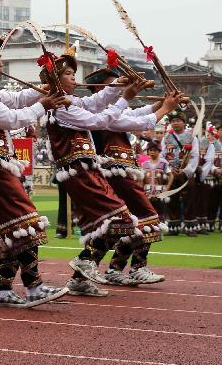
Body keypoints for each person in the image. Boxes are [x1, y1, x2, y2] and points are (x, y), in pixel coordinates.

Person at [0, 36, 69, 308]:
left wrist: (41, 90)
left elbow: (16, 98)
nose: (1, 63)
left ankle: (4, 289)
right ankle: (34, 287)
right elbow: (9, 118)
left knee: (10, 226)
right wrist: (45, 104)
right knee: (25, 220)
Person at [42, 45, 153, 296]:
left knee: (111, 222)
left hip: (86, 170)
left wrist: (117, 87)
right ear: (56, 79)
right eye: (69, 74)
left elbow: (94, 102)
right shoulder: (62, 106)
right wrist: (125, 95)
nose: (74, 78)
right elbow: (99, 120)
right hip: (78, 171)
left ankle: (79, 278)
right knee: (120, 218)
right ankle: (85, 262)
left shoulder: (71, 101)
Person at [85, 66, 179, 285]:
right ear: (101, 88)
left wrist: (163, 103)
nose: (120, 86)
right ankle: (136, 267)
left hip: (122, 169)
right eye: (115, 83)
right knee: (147, 216)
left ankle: (112, 269)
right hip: (113, 171)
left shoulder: (113, 108)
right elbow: (137, 123)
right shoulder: (101, 112)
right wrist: (165, 109)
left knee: (125, 222)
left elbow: (138, 113)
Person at [160, 111, 201, 236]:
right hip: (171, 173)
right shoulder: (166, 138)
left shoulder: (191, 137)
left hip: (186, 173)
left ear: (184, 123)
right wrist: (169, 169)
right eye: (173, 121)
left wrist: (186, 170)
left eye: (178, 120)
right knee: (171, 199)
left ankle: (190, 227)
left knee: (189, 199)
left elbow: (195, 156)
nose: (175, 123)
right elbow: (162, 155)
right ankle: (174, 226)